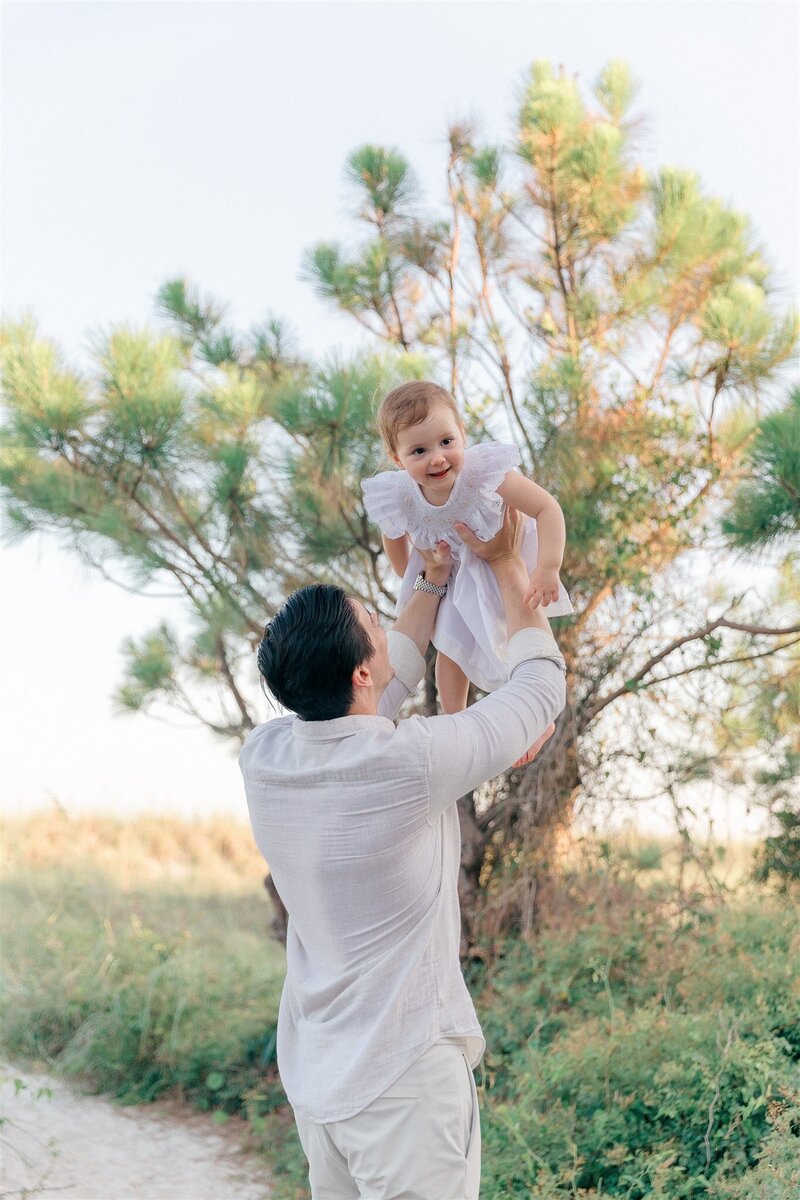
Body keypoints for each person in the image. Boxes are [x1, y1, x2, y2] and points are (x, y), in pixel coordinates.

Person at [239, 506, 566, 1200]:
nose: (385, 630)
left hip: (321, 1080)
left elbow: (380, 686)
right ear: (361, 671)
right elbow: (540, 689)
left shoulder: (264, 757)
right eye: (372, 625)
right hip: (403, 1082)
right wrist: (507, 560)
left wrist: (430, 579)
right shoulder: (406, 764)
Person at [362, 379, 572, 766]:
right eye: (419, 451)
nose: (437, 458)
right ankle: (455, 720)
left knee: (519, 642)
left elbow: (547, 508)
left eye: (446, 442)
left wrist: (547, 567)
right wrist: (408, 570)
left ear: (462, 435)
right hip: (452, 577)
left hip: (496, 571)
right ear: (397, 457)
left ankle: (540, 720)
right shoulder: (400, 495)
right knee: (449, 649)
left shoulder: (484, 474)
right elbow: (392, 533)